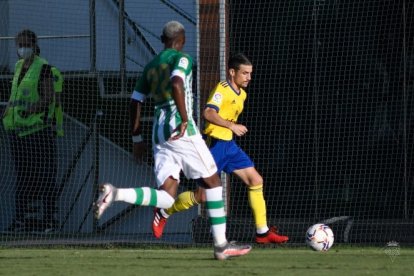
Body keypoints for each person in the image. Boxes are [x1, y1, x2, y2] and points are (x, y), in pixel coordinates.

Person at [94, 21, 251, 260]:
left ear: (162, 38)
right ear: (182, 39)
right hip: (181, 129)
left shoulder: (150, 66)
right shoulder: (182, 59)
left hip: (159, 132)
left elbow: (135, 101)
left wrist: (137, 138)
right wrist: (186, 119)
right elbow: (177, 83)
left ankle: (115, 194)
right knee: (213, 183)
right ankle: (221, 246)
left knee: (167, 196)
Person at [152, 53, 289, 244]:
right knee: (202, 197)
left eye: (250, 73)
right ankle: (165, 210)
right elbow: (208, 112)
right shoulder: (222, 89)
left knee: (256, 180)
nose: (249, 77)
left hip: (229, 146)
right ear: (232, 72)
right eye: (245, 73)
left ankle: (262, 232)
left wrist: (230, 130)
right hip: (214, 146)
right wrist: (231, 126)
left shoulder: (242, 94)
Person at [2, 29, 61, 233]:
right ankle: (22, 220)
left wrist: (31, 110)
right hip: (18, 131)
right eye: (19, 44)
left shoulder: (43, 67)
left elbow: (48, 97)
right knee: (23, 176)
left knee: (44, 175)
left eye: (26, 44)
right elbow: (15, 95)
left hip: (37, 130)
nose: (22, 48)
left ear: (34, 45)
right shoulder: (18, 66)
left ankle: (49, 220)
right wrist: (7, 113)